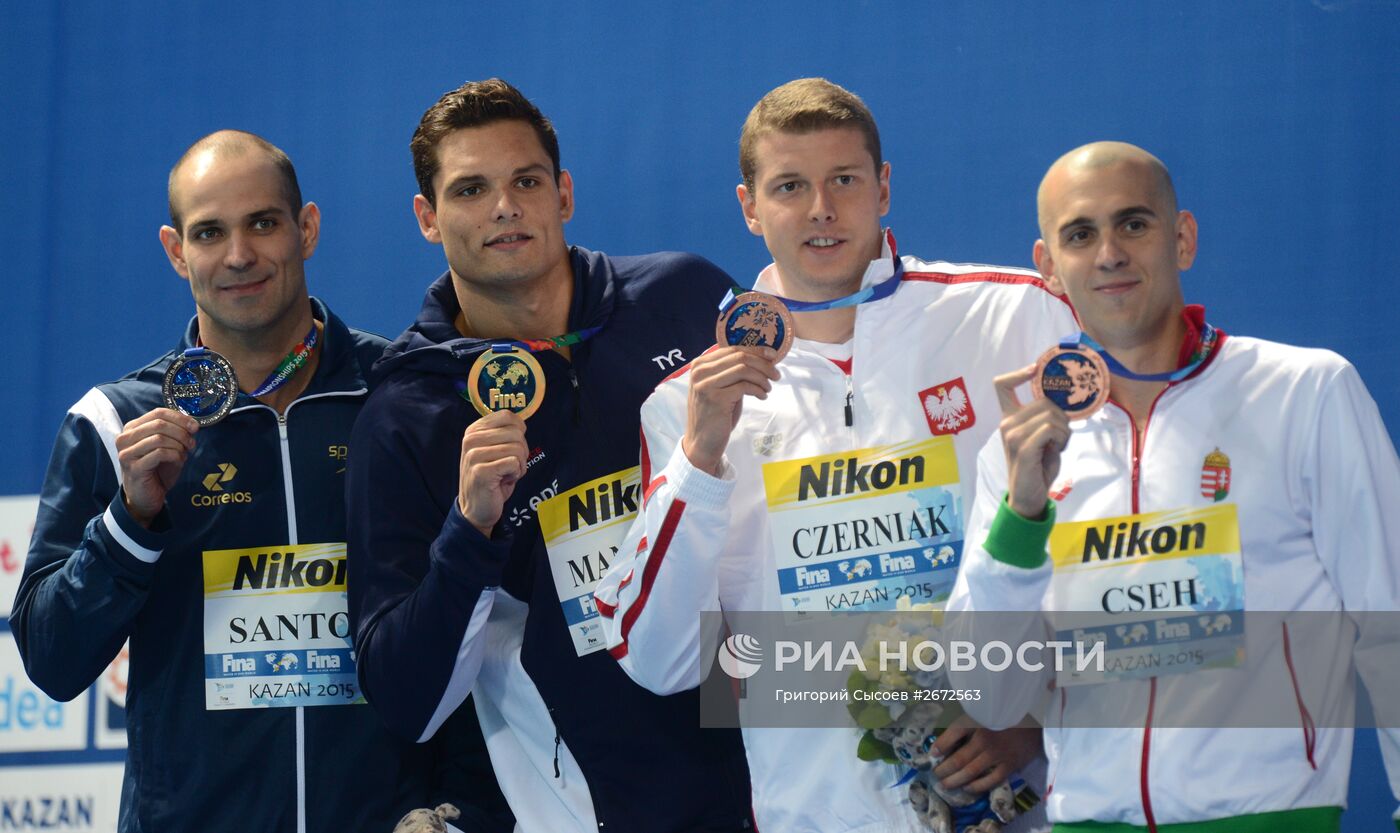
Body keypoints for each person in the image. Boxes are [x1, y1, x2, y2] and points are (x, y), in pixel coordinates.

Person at [595, 77, 1077, 832]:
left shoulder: (1011, 315)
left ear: (882, 188)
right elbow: (661, 661)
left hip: (1023, 806)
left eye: (843, 180)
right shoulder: (688, 406)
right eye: (789, 185)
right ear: (749, 207)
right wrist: (699, 461)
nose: (820, 208)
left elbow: (1113, 541)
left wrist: (1038, 714)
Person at [9, 131, 508, 832]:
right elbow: (52, 660)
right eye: (210, 232)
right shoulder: (114, 420)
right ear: (175, 249)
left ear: (306, 229)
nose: (239, 255)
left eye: (263, 223)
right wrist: (129, 522)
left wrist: (465, 813)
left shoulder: (402, 397)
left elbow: (480, 629)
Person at [947, 141, 1400, 831]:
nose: (1108, 254)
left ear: (1182, 238)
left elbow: (1387, 622)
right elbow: (991, 696)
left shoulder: (1304, 393)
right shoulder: (1022, 449)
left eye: (1133, 224)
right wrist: (1023, 515)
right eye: (1080, 234)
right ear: (1049, 268)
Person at [345, 78, 753, 832]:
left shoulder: (685, 298)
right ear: (427, 218)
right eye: (470, 189)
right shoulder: (409, 414)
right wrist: (469, 534)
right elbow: (406, 702)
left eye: (526, 180)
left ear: (563, 192)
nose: (505, 205)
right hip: (595, 808)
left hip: (778, 778)